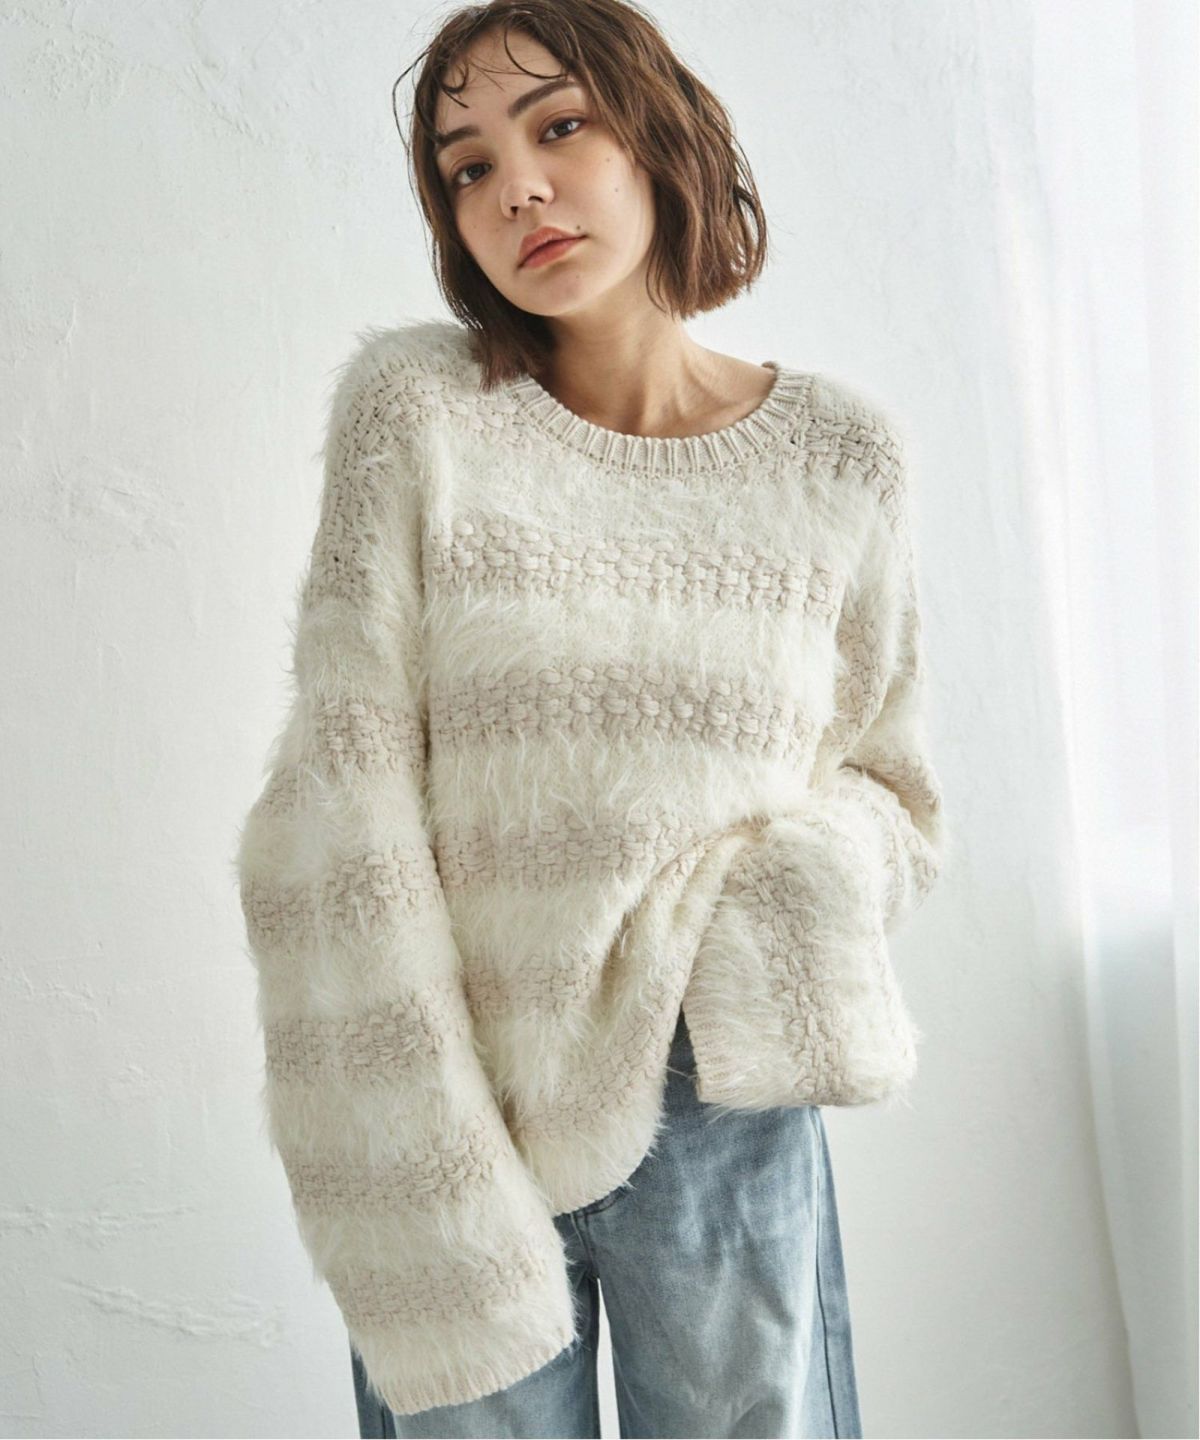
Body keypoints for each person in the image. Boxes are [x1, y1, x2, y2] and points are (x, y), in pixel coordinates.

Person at [235, 2, 947, 1436]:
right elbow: (341, 783)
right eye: (469, 167)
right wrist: (415, 1121)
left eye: (559, 126)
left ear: (659, 136)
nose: (518, 189)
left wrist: (776, 905)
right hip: (451, 1089)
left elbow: (889, 785)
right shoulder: (418, 415)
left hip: (714, 1083)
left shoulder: (839, 456)